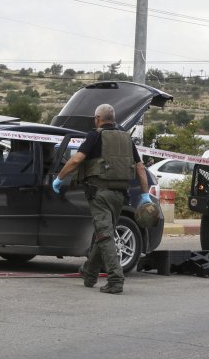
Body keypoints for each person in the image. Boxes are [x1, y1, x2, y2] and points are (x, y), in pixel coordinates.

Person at [52, 103, 150, 295]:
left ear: (97, 119)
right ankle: (89, 273)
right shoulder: (126, 138)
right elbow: (140, 168)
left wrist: (59, 178)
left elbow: (76, 160)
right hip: (120, 195)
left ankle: (115, 279)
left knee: (105, 235)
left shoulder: (95, 135)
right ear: (113, 119)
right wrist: (145, 195)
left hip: (100, 194)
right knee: (103, 232)